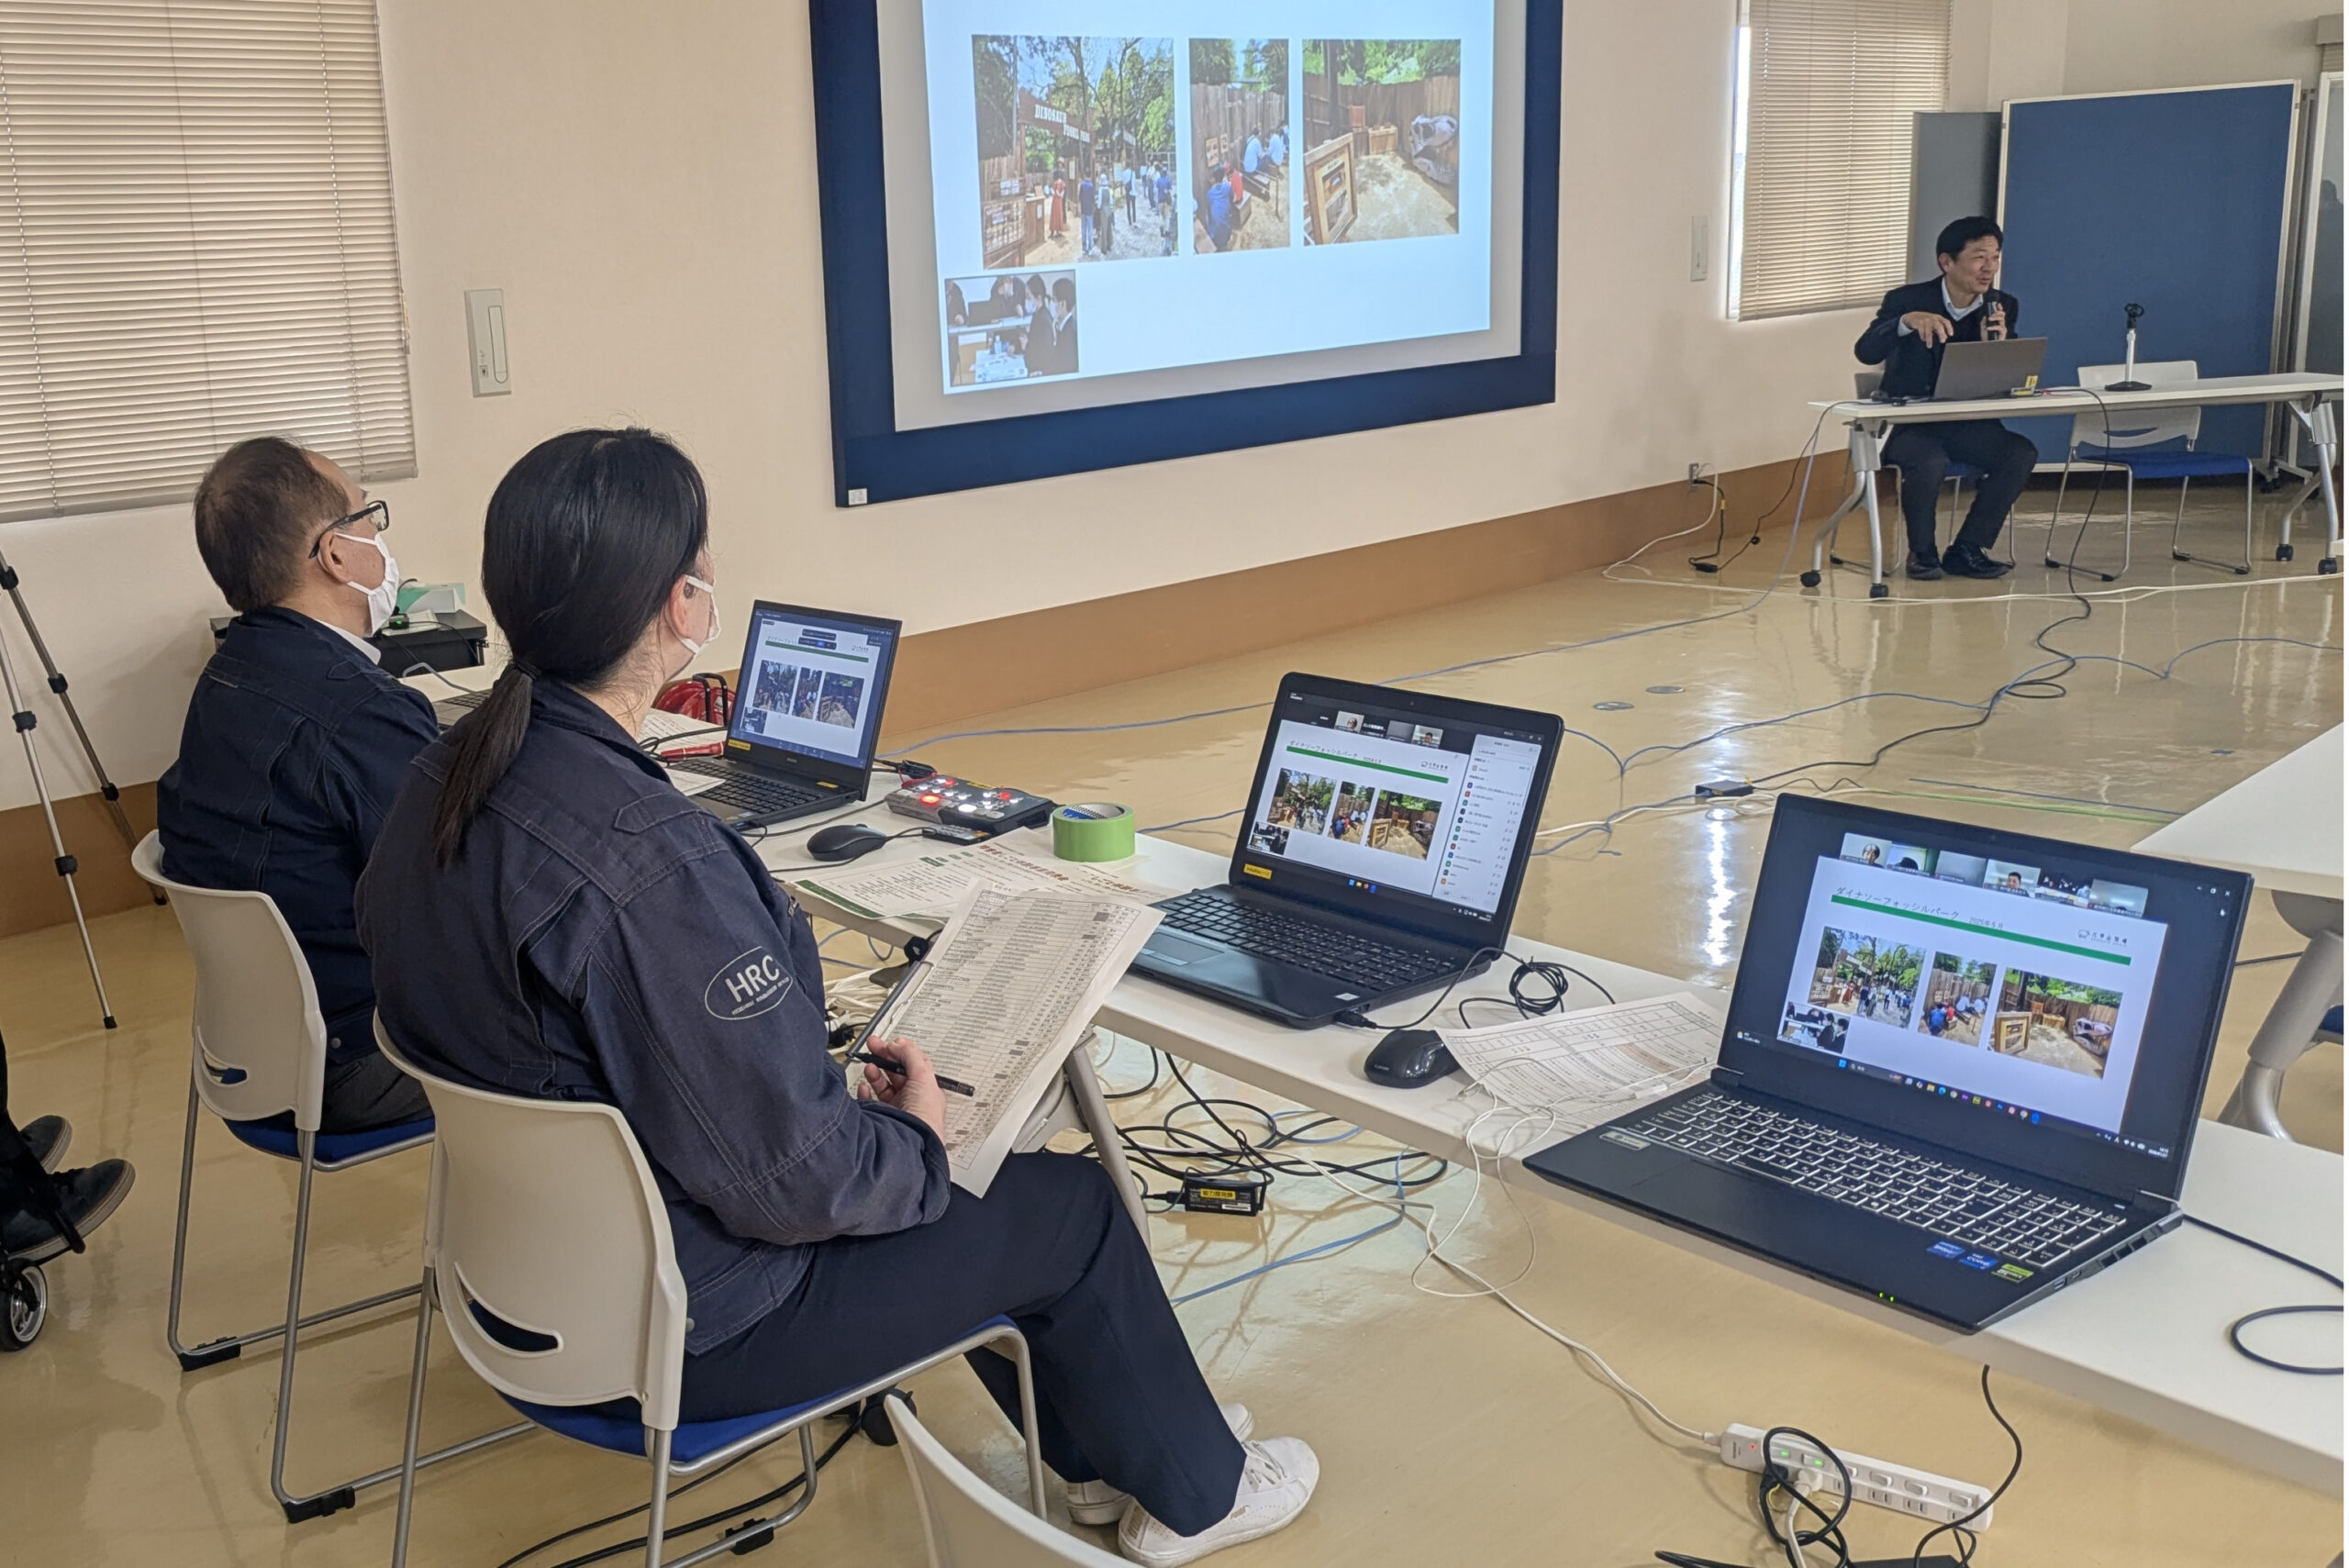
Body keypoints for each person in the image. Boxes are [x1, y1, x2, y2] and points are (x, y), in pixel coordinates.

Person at [356, 430, 1313, 1566]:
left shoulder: (440, 774)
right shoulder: (647, 866)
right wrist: (909, 1141)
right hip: (697, 1320)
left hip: (532, 1281)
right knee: (1062, 1207)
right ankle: (1197, 1493)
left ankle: (1113, 1456)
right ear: (684, 602)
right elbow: (790, 1183)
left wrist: (803, 1086)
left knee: (964, 1188)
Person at [157, 436, 435, 1134]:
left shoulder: (226, 676)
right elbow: (460, 887)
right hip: (360, 1059)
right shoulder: (356, 709)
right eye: (368, 516)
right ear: (336, 553)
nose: (379, 536)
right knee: (620, 1029)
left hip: (257, 1051)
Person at [1854, 216, 2036, 582]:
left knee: (2019, 452)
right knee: (1929, 460)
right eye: (1978, 257)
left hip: (1965, 423)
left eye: (1996, 257)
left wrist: (1998, 347)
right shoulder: (1906, 300)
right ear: (1946, 262)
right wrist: (1904, 322)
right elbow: (1866, 351)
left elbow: (2007, 383)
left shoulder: (2001, 305)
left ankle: (1968, 549)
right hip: (1907, 427)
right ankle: (1922, 554)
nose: (1989, 268)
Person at [1204, 168, 1234, 252]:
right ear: (1223, 176)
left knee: (1209, 213)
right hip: (1226, 233)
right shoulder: (1227, 187)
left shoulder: (1210, 193)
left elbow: (1209, 210)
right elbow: (1232, 197)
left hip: (1214, 236)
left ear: (1214, 179)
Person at [1078, 170, 1097, 256]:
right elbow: (1093, 199)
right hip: (1090, 210)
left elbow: (1080, 197)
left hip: (1083, 210)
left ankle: (1084, 248)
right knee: (1090, 230)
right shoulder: (1091, 186)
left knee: (1083, 229)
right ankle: (1090, 249)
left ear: (1085, 175)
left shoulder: (1082, 185)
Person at [1050, 170, 1066, 239]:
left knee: (1053, 215)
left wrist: (1056, 194)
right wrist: (1060, 195)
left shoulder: (1055, 183)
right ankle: (1058, 230)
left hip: (1054, 200)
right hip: (1059, 201)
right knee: (1059, 214)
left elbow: (1054, 191)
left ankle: (1052, 230)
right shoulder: (1062, 183)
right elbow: (1062, 193)